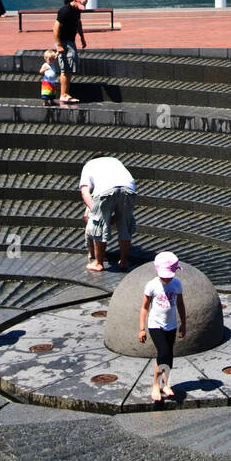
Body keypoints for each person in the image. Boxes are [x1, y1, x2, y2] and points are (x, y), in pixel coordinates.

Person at [139, 251, 187, 405]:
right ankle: (155, 385)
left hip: (171, 325)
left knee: (168, 356)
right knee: (163, 352)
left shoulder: (176, 284)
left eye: (169, 275)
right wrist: (142, 328)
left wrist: (183, 324)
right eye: (163, 275)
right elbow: (145, 307)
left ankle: (165, 384)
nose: (166, 278)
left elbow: (180, 304)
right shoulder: (152, 285)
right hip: (155, 325)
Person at [80, 154, 136, 272]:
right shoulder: (115, 160)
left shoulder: (89, 165)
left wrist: (95, 211)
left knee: (99, 225)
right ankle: (124, 261)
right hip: (128, 187)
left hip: (105, 189)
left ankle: (98, 263)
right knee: (125, 224)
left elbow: (85, 192)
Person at [53, 0, 88, 105]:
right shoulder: (65, 11)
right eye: (79, 6)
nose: (80, 9)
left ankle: (66, 93)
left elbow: (78, 23)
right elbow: (56, 28)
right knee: (65, 69)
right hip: (63, 42)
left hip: (71, 41)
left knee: (70, 68)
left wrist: (82, 37)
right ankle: (63, 94)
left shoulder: (76, 10)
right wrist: (58, 45)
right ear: (75, 1)